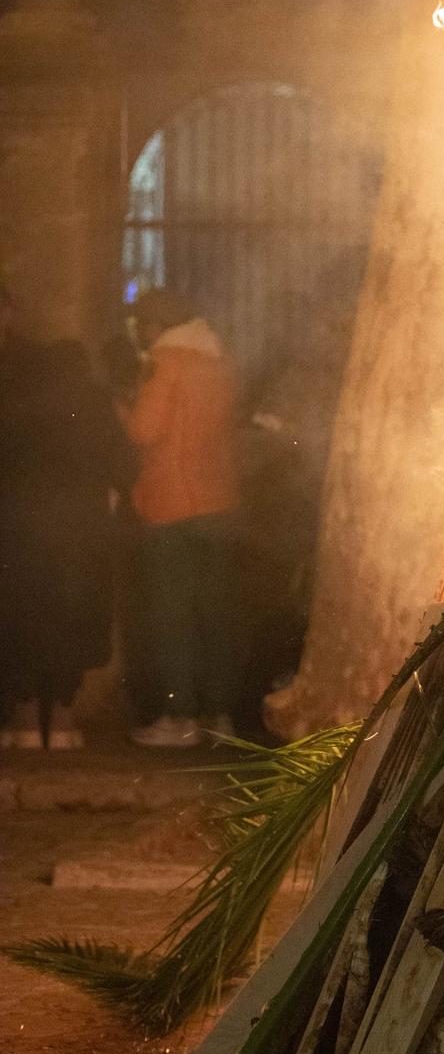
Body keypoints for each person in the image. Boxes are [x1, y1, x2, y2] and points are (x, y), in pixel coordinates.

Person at [0, 334, 133, 749]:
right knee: (71, 619)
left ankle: (22, 716)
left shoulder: (13, 400)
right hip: (80, 532)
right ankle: (60, 716)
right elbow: (124, 465)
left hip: (19, 531)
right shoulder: (92, 402)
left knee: (21, 618)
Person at [125, 287, 240, 748]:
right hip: (221, 502)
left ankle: (180, 718)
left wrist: (120, 407)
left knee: (173, 615)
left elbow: (144, 430)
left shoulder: (165, 362)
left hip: (171, 503)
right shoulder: (219, 361)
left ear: (154, 324)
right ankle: (221, 716)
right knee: (215, 612)